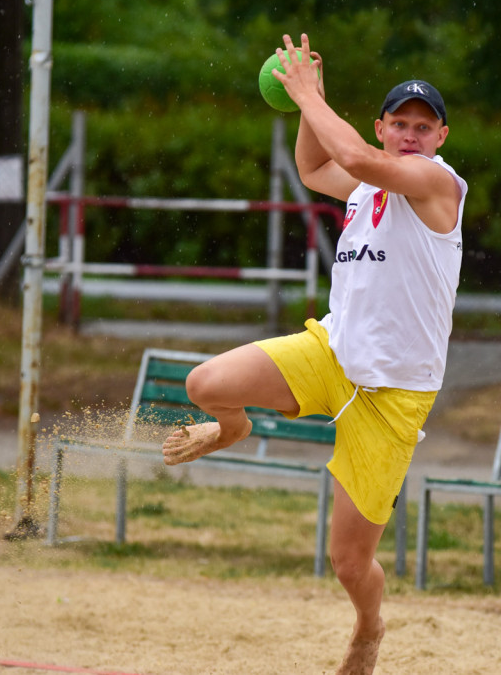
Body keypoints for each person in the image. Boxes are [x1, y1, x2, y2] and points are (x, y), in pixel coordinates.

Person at [162, 33, 466, 675]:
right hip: (331, 351)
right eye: (400, 123)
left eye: (424, 126)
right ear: (383, 127)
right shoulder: (365, 186)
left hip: (392, 394)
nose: (411, 134)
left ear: (441, 137)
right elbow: (313, 168)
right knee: (205, 383)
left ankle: (369, 626)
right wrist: (311, 101)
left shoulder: (437, 181)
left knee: (349, 564)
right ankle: (234, 426)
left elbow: (351, 155)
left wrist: (306, 95)